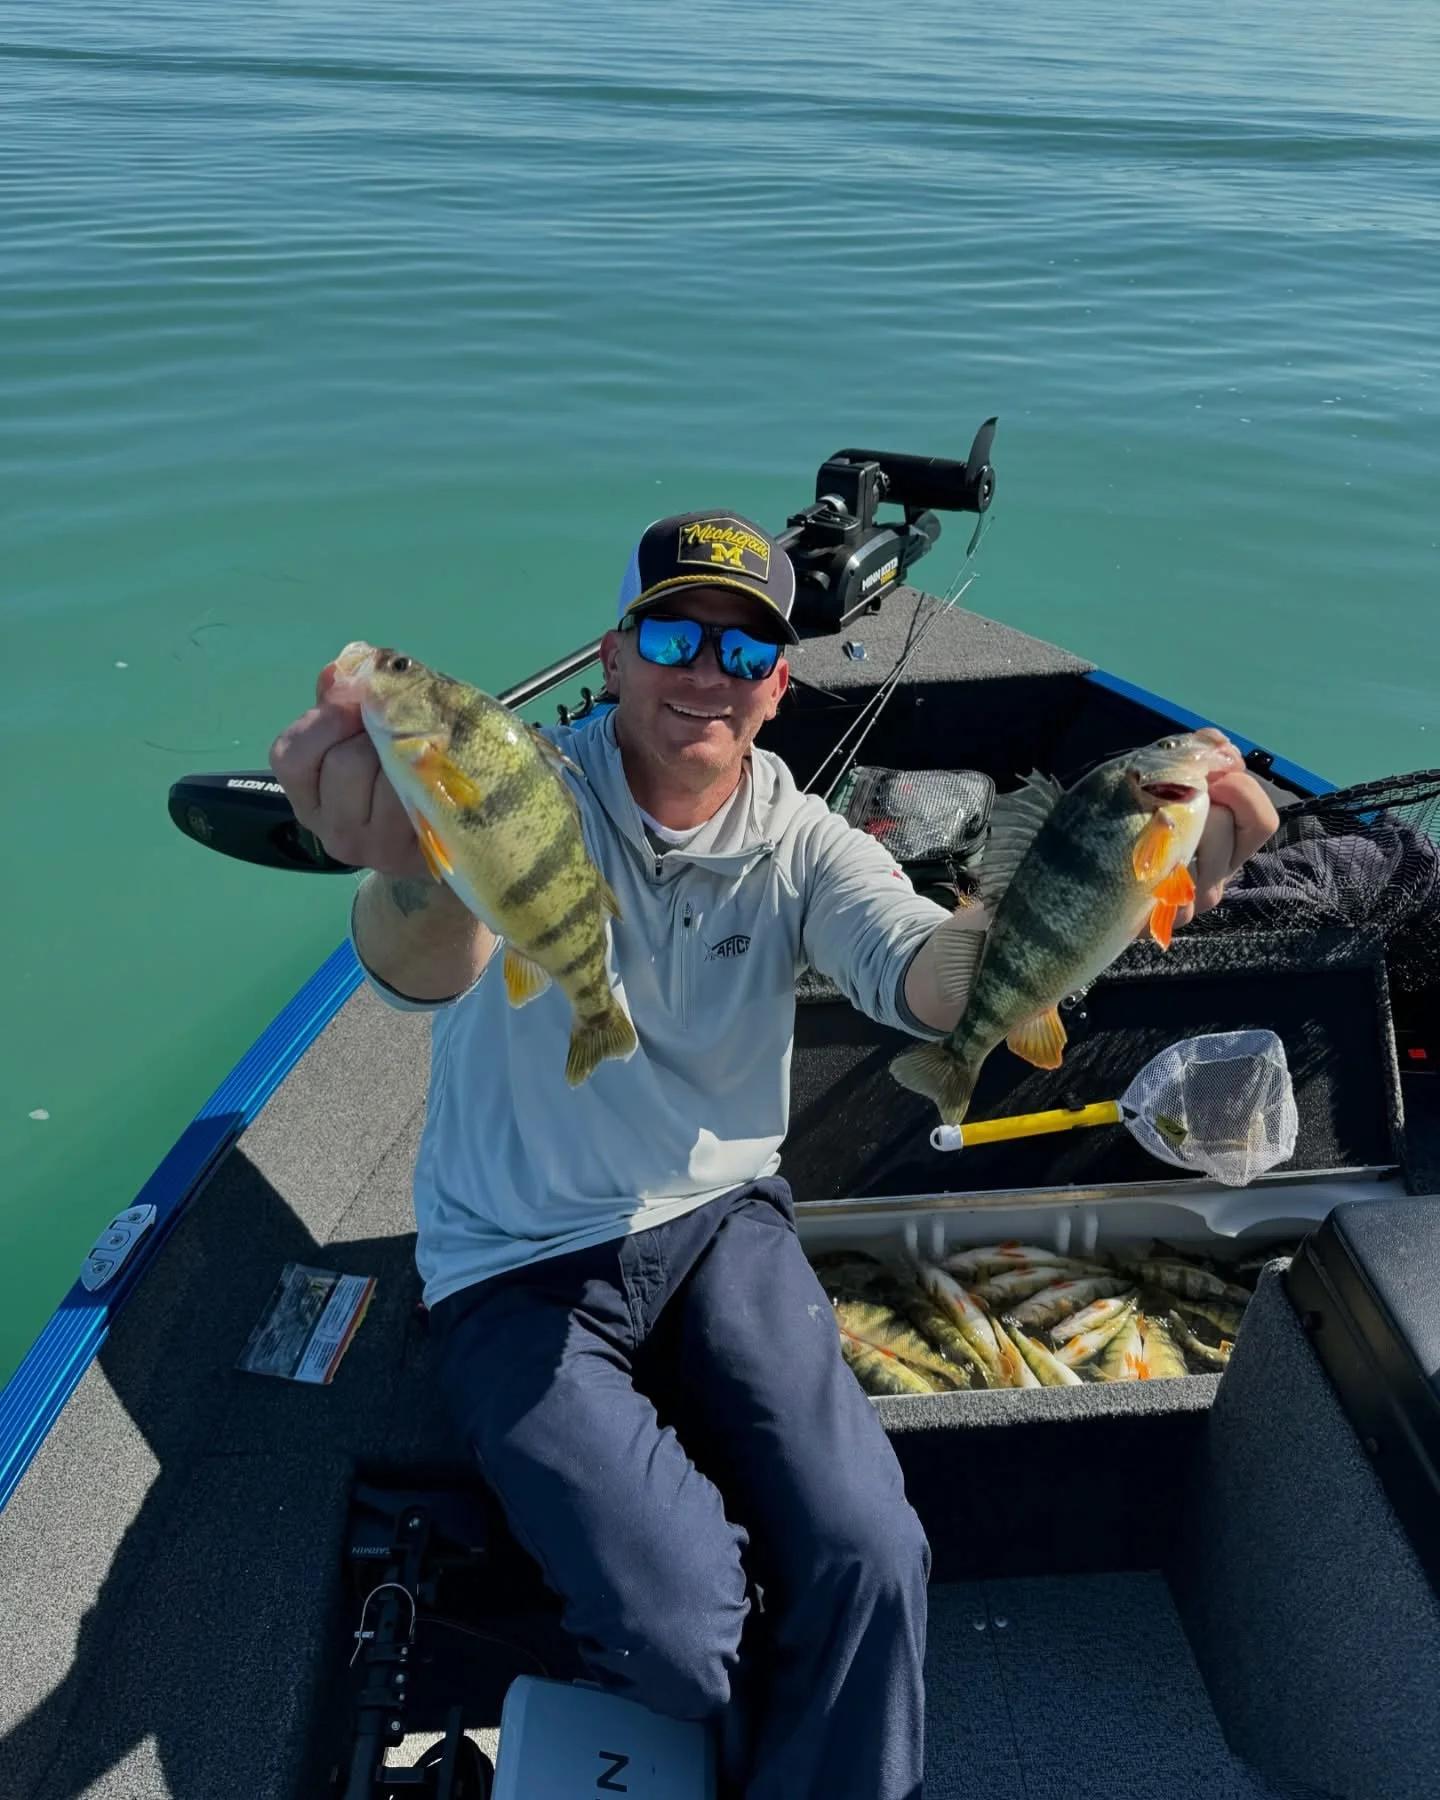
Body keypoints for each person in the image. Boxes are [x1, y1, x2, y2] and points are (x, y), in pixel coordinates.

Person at [269, 510, 1279, 1800]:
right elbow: (425, 964)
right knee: (680, 1636)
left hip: (723, 1220)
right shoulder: (523, 793)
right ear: (618, 653)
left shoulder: (805, 842)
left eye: (748, 651)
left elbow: (926, 977)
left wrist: (1114, 896)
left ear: (780, 685)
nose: (709, 669)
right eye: (677, 633)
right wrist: (410, 869)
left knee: (872, 1554)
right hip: (515, 1266)